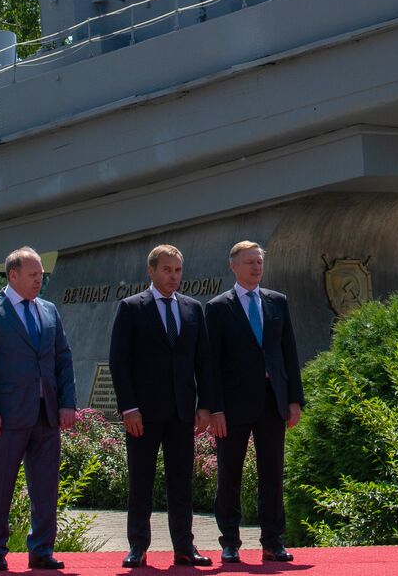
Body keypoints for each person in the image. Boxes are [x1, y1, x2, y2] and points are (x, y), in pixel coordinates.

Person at [0, 247, 77, 572]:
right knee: (0, 486)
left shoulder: (49, 311)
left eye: (41, 274)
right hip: (5, 416)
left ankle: (42, 549)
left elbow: (63, 358)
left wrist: (68, 403)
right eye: (33, 275)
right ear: (12, 275)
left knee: (45, 487)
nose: (39, 280)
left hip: (46, 415)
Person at [108, 244, 213, 567]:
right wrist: (129, 408)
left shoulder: (193, 309)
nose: (173, 276)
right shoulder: (131, 308)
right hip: (143, 413)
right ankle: (138, 547)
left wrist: (205, 405)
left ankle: (184, 547)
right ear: (151, 271)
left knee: (181, 480)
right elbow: (119, 362)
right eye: (167, 270)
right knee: (141, 480)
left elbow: (203, 362)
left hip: (182, 412)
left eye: (178, 270)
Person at [205, 241, 304, 564]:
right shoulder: (219, 307)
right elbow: (211, 363)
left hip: (272, 401)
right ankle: (230, 541)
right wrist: (214, 407)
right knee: (229, 475)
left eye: (259, 262)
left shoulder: (277, 301)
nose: (256, 268)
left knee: (272, 474)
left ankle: (273, 541)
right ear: (233, 266)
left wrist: (294, 401)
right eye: (249, 263)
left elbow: (288, 353)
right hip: (232, 407)